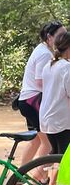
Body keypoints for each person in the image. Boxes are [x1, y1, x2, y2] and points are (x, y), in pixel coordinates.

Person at [17, 21, 66, 169]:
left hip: (27, 100)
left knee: (37, 140)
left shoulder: (43, 50)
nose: (64, 38)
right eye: (61, 35)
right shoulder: (45, 54)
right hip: (34, 100)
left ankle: (21, 174)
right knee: (49, 143)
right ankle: (40, 176)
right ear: (49, 37)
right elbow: (40, 81)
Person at [40, 31, 70, 156]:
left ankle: (48, 176)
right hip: (60, 120)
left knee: (56, 155)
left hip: (47, 119)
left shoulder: (49, 65)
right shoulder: (66, 67)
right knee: (63, 158)